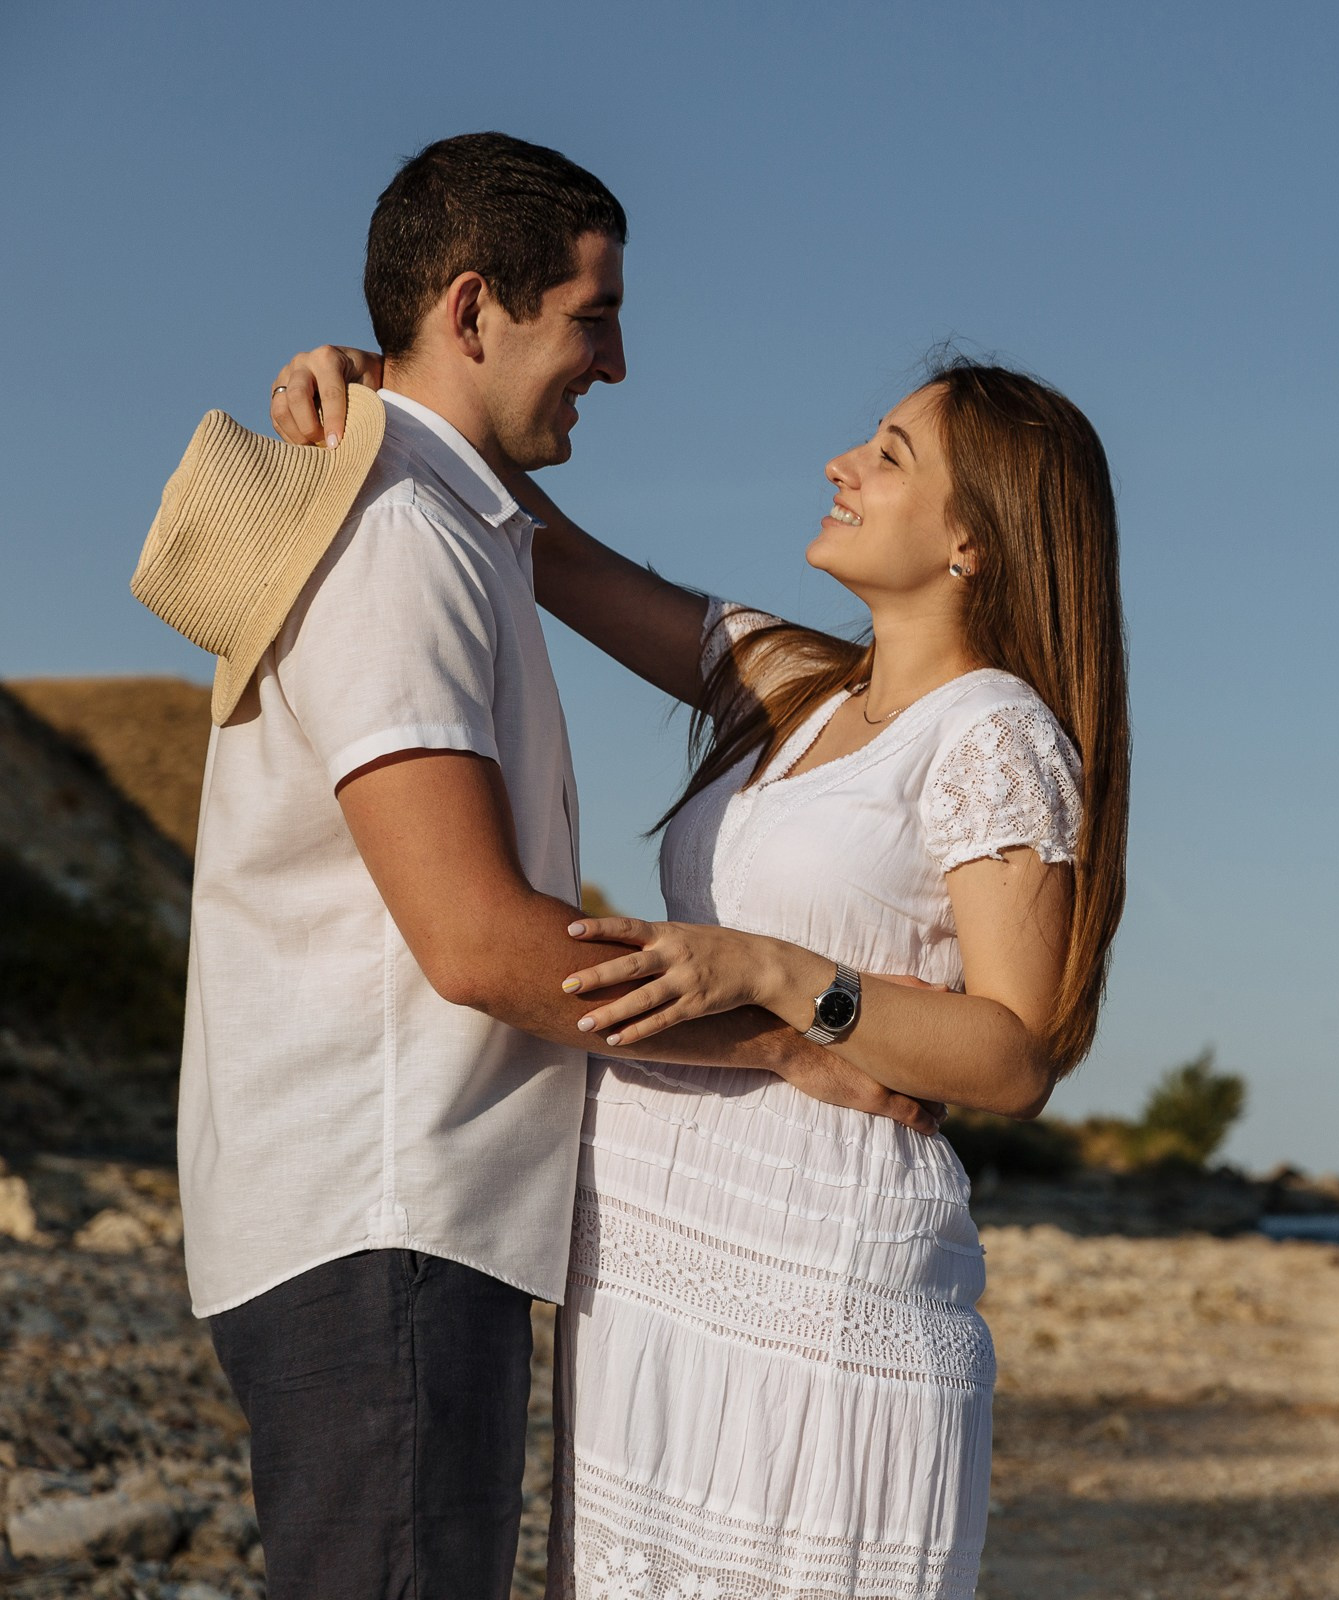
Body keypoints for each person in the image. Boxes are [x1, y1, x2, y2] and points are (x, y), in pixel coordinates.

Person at [154, 132, 933, 1600]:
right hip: (383, 1208)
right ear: (472, 310)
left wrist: (380, 391)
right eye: (593, 315)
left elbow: (607, 587)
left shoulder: (456, 524)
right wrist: (787, 1038)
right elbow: (483, 945)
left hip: (398, 1215)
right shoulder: (400, 539)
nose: (618, 363)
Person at [265, 342, 1130, 1595]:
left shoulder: (994, 733)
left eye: (890, 455)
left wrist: (787, 979)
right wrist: (385, 394)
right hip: (651, 1273)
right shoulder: (791, 683)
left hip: (818, 1283)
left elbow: (1013, 1053)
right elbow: (544, 547)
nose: (842, 463)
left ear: (975, 540)